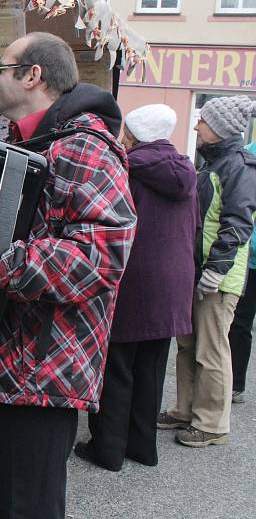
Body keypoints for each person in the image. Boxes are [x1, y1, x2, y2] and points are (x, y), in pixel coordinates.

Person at [0, 32, 136, 519]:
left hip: (38, 380)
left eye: (1, 68)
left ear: (32, 75)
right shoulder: (13, 146)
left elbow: (102, 255)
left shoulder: (85, 149)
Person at [72, 104, 197, 472]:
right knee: (151, 368)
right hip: (175, 284)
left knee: (117, 369)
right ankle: (143, 448)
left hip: (134, 281)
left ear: (133, 134)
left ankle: (108, 450)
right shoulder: (187, 172)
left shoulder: (127, 169)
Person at [158, 95, 256, 447]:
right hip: (197, 270)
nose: (197, 125)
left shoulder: (240, 166)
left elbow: (237, 224)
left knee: (211, 349)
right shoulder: (213, 162)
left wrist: (215, 269)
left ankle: (212, 423)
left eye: (204, 121)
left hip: (219, 276)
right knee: (187, 344)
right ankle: (185, 409)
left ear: (220, 128)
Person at [230, 199, 256, 404]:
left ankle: (236, 383)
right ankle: (233, 381)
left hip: (250, 260)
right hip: (246, 259)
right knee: (238, 322)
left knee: (241, 323)